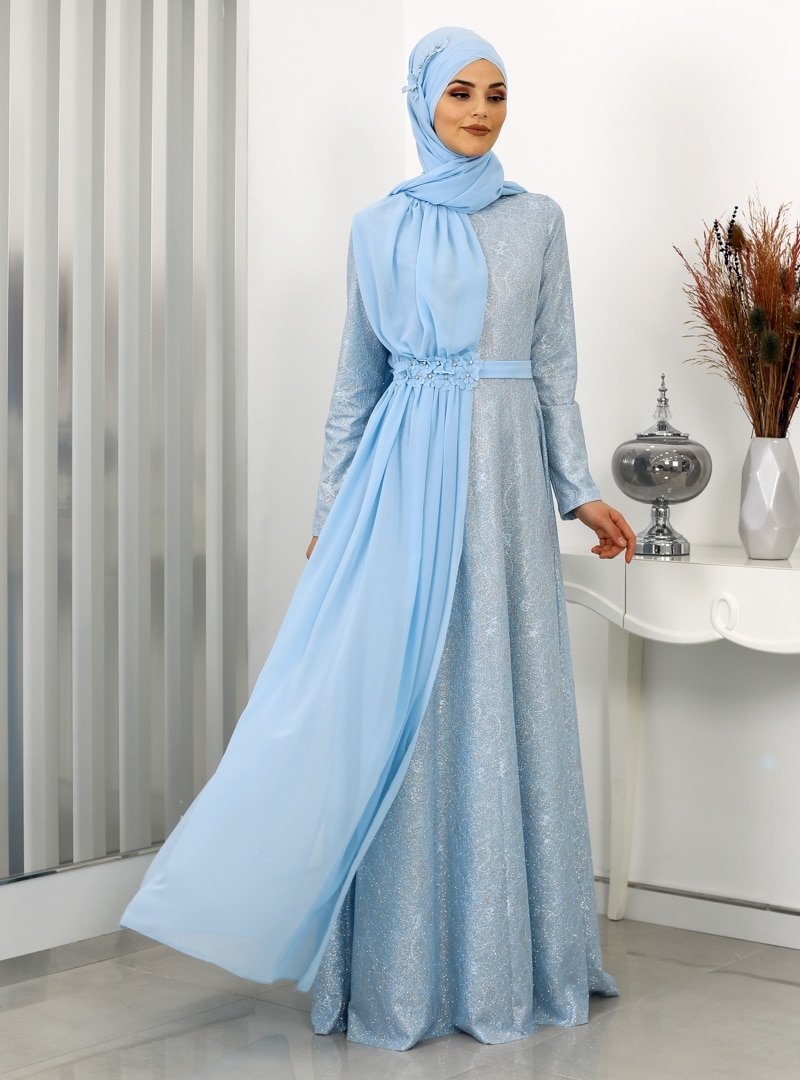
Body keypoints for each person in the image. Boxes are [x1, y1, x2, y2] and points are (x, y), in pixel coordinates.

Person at [120, 25, 635, 1055]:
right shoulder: (377, 227)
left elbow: (553, 370)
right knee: (400, 703)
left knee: (500, 695)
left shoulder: (536, 220)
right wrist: (330, 517)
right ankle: (401, 969)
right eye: (460, 92)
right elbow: (355, 384)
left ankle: (508, 960)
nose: (480, 111)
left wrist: (578, 493)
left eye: (496, 93)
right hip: (399, 492)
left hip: (502, 492)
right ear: (423, 103)